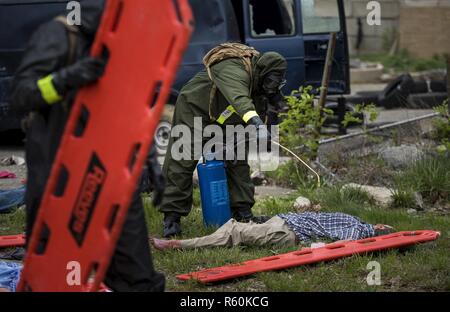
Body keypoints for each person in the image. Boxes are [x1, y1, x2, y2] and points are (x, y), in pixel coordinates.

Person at [10, 0, 165, 292]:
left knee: (139, 281)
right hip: (61, 183)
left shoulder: (127, 48)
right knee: (53, 280)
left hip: (115, 182)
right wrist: (64, 80)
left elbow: (134, 109)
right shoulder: (58, 36)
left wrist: (151, 161)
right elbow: (19, 96)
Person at [159, 43, 288, 238]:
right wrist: (257, 124)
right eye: (270, 80)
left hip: (227, 116)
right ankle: (171, 219)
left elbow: (264, 98)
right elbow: (239, 98)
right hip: (195, 109)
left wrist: (274, 107)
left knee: (238, 160)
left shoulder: (259, 79)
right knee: (182, 159)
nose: (271, 85)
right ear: (262, 71)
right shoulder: (233, 68)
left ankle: (243, 213)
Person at [150, 211, 395, 251]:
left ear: (380, 228)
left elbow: (347, 243)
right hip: (284, 222)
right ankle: (206, 240)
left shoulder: (359, 229)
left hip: (287, 232)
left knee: (233, 231)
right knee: (232, 228)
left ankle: (179, 244)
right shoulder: (355, 220)